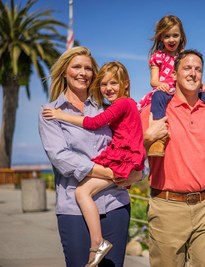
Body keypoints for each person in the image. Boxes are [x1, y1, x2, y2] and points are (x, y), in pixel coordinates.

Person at [38, 47, 143, 267]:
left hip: (115, 203)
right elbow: (61, 158)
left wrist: (138, 174)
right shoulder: (50, 112)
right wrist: (113, 173)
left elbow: (133, 141)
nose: (82, 72)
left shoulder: (109, 109)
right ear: (65, 71)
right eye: (76, 67)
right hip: (74, 208)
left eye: (87, 68)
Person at [141, 49, 205, 266]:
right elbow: (135, 157)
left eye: (198, 69)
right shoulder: (153, 110)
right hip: (167, 207)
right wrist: (147, 138)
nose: (193, 73)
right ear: (174, 75)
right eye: (187, 68)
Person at [137, 15, 205, 160]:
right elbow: (153, 81)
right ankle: (159, 140)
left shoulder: (183, 56)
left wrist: (203, 85)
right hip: (166, 88)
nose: (171, 40)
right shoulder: (157, 56)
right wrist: (161, 85)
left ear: (181, 36)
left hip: (185, 88)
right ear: (161, 38)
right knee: (158, 97)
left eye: (175, 35)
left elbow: (191, 75)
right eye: (167, 36)